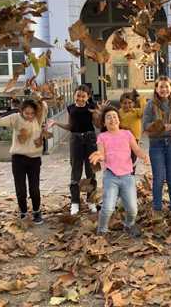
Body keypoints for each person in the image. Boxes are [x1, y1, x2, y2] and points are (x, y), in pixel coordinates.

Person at [89, 106, 150, 237]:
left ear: (119, 120)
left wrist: (144, 156)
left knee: (133, 209)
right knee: (108, 208)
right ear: (104, 123)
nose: (112, 119)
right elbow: (101, 153)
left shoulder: (127, 134)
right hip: (111, 176)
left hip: (127, 176)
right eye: (108, 117)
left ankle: (128, 225)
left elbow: (136, 149)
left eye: (115, 116)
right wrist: (99, 156)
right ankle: (102, 230)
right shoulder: (102, 136)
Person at [0, 99, 48, 224]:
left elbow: (44, 106)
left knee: (34, 188)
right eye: (26, 113)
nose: (29, 116)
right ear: (21, 111)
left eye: (32, 113)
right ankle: (23, 212)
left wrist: (39, 97)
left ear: (36, 113)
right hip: (18, 159)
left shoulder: (38, 119)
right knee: (20, 189)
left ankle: (36, 211)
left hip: (35, 159)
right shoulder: (16, 118)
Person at [49, 85, 99, 216]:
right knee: (75, 170)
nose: (80, 98)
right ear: (74, 95)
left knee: (91, 171)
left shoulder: (91, 107)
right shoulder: (71, 108)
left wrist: (98, 112)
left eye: (83, 96)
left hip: (90, 139)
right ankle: (75, 202)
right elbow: (70, 126)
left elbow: (98, 125)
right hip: (75, 139)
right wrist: (56, 123)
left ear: (88, 97)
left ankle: (91, 200)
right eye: (78, 95)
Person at [143, 76, 171, 213]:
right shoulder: (150, 105)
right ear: (156, 88)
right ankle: (157, 208)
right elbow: (145, 125)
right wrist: (159, 126)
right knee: (159, 178)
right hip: (156, 144)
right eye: (161, 86)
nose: (164, 89)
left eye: (166, 86)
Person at [119, 90, 147, 163]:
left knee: (133, 156)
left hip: (134, 138)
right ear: (121, 104)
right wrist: (122, 127)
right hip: (122, 138)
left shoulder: (136, 112)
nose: (127, 105)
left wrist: (142, 100)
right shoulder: (119, 112)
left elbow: (144, 112)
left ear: (134, 103)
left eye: (130, 103)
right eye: (124, 103)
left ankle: (132, 171)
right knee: (124, 155)